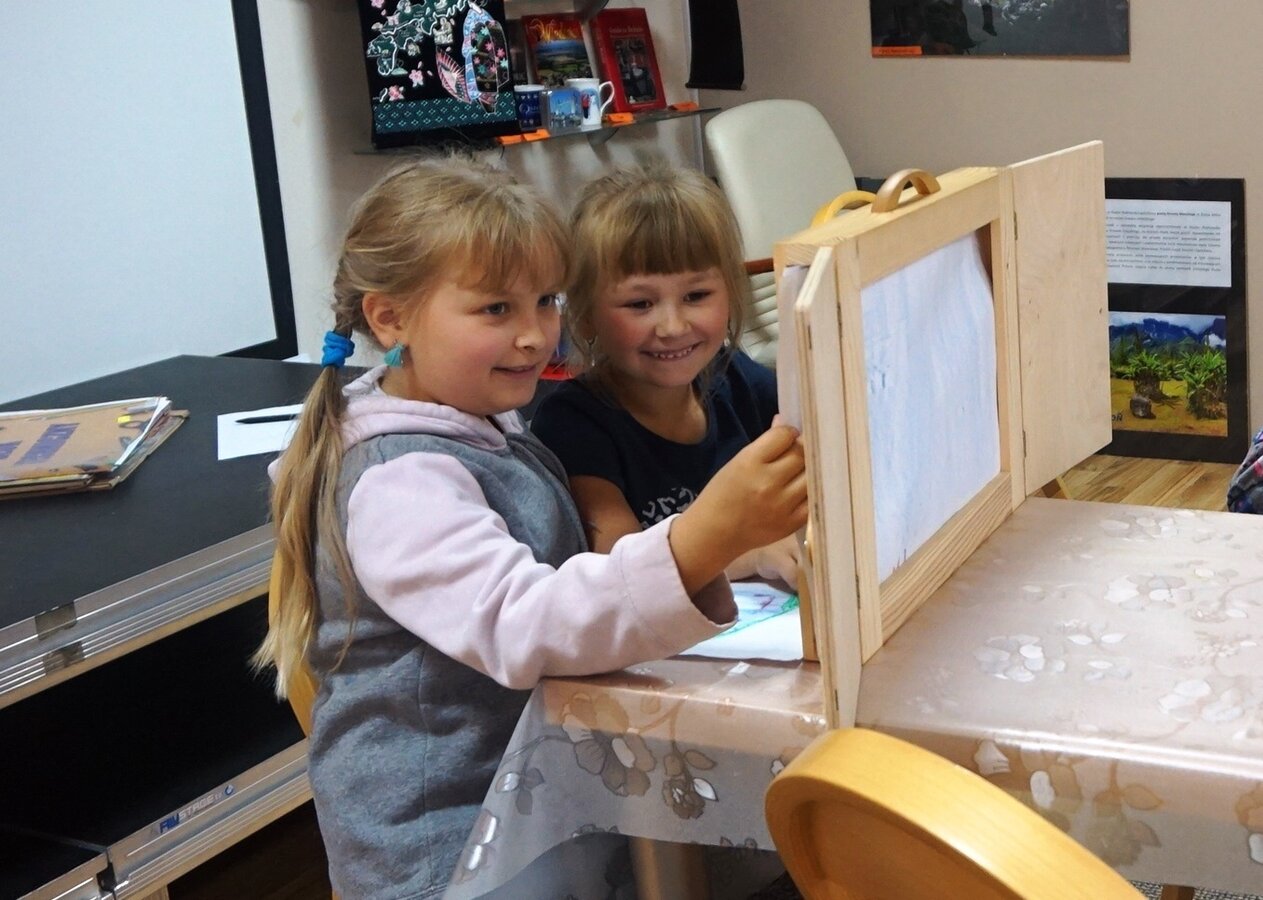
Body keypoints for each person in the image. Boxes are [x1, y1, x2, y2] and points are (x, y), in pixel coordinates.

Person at [254, 156, 808, 899]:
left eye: (545, 301)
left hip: (541, 810)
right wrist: (707, 534)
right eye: (495, 310)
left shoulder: (482, 421)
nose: (535, 336)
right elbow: (524, 623)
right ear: (390, 318)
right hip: (454, 856)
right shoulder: (399, 481)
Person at [531, 160, 799, 587]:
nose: (673, 327)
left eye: (696, 295)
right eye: (640, 304)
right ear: (585, 315)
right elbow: (620, 565)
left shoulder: (739, 378)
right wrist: (753, 554)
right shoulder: (572, 425)